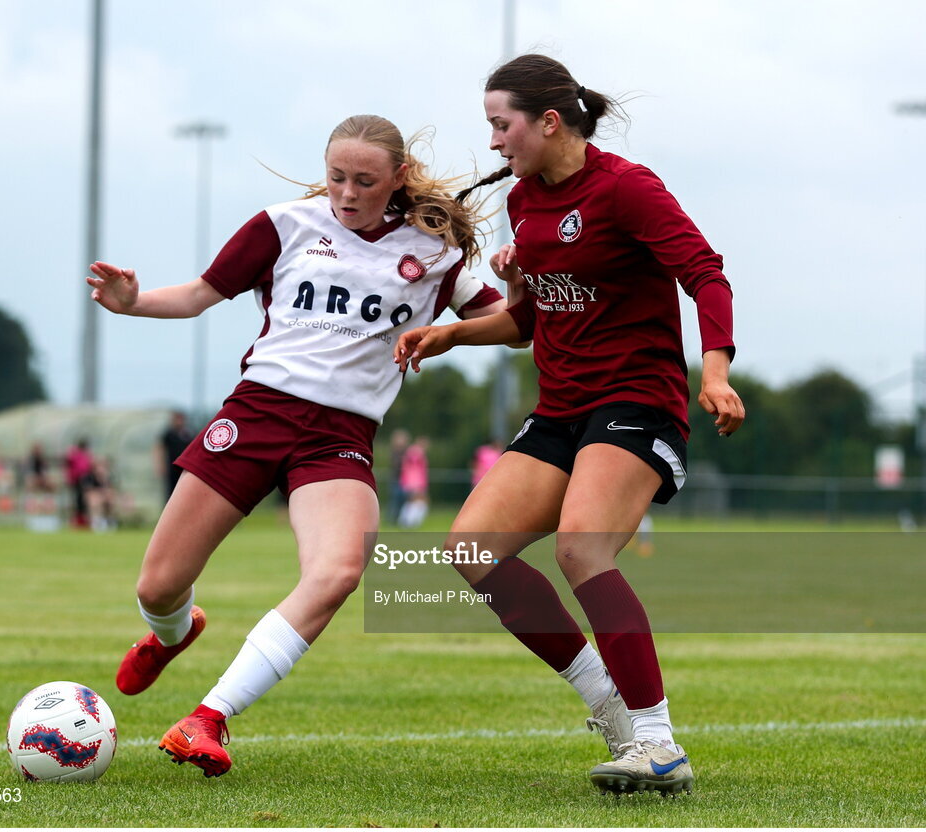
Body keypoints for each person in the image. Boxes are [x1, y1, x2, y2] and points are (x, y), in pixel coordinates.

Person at [85, 114, 515, 778]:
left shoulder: (437, 253)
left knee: (339, 572)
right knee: (160, 584)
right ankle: (173, 632)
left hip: (340, 437)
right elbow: (201, 294)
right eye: (337, 176)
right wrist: (133, 302)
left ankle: (208, 717)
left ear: (398, 179)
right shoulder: (284, 224)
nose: (346, 192)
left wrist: (511, 292)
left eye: (365, 181)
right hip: (257, 414)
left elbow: (511, 328)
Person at [395, 55, 745, 796]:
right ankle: (611, 708)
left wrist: (714, 372)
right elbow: (527, 323)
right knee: (470, 550)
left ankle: (658, 742)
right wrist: (453, 334)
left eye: (501, 124)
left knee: (584, 550)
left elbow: (706, 275)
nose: (493, 142)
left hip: (637, 400)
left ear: (548, 121)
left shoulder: (627, 189)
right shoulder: (524, 201)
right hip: (560, 409)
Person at [157, 410, 193, 502]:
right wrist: (160, 465)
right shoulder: (169, 434)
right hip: (172, 468)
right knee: (171, 491)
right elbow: (160, 448)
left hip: (184, 469)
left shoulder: (188, 434)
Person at [397, 436, 430, 528]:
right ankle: (409, 521)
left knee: (413, 501)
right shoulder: (416, 452)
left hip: (413, 481)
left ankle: (408, 521)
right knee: (416, 501)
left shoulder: (412, 452)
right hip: (414, 482)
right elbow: (414, 469)